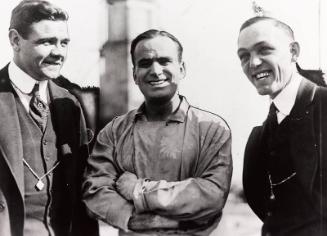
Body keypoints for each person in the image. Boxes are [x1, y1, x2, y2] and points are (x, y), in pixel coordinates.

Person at [83, 29, 233, 235]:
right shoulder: (114, 132)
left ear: (182, 69)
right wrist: (134, 219)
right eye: (145, 63)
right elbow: (96, 191)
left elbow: (212, 194)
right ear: (135, 74)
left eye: (164, 61)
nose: (155, 70)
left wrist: (139, 190)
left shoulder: (212, 129)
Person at [0, 1, 99, 235]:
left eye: (64, 43)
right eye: (46, 42)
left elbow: (82, 197)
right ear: (15, 40)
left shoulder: (71, 104)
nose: (58, 53)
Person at [237, 16, 327, 236]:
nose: (254, 63)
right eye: (244, 56)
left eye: (264, 50)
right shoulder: (260, 136)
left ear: (294, 52)